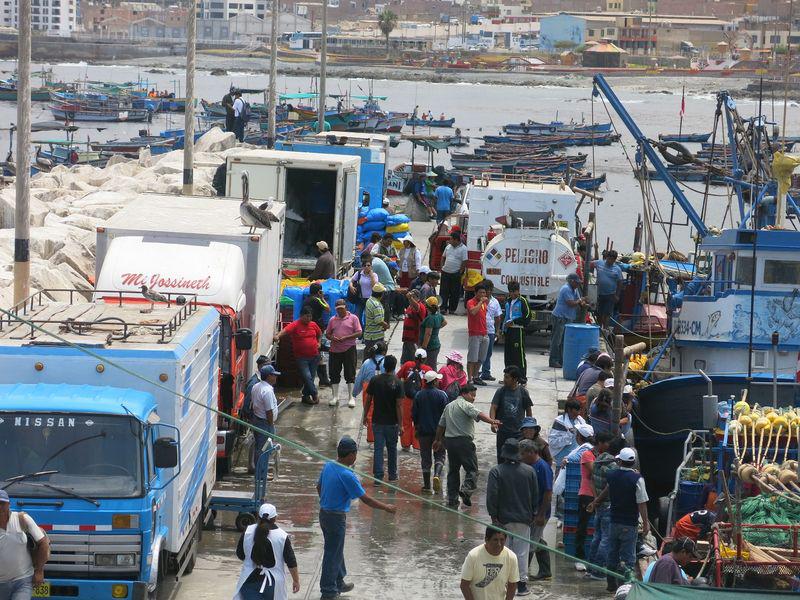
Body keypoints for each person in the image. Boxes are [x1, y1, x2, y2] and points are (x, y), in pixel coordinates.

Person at [317, 436, 396, 599]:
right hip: (335, 517)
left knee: (336, 550)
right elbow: (366, 499)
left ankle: (338, 581)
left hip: (324, 514)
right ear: (351, 455)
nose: (355, 457)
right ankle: (328, 591)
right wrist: (386, 507)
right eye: (355, 454)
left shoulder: (329, 465)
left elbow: (319, 487)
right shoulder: (347, 475)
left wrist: (327, 500)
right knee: (332, 554)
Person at [588, 447, 650, 592]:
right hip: (629, 523)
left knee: (612, 553)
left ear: (620, 461)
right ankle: (625, 586)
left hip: (613, 521)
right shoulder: (637, 479)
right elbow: (642, 503)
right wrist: (646, 523)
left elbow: (607, 490)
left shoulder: (612, 475)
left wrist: (596, 502)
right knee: (628, 557)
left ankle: (611, 584)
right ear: (633, 462)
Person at [434, 384, 501, 508]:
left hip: (450, 442)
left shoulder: (449, 406)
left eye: (475, 396)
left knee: (453, 471)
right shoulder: (466, 405)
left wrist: (437, 440)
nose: (473, 398)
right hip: (464, 442)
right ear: (464, 394)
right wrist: (492, 421)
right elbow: (479, 414)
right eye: (472, 395)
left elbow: (441, 425)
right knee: (472, 470)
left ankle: (452, 499)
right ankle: (466, 490)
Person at [486, 439, 538, 596]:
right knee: (521, 552)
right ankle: (521, 586)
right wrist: (533, 513)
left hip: (502, 519)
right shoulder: (529, 471)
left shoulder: (496, 471)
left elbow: (492, 495)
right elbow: (535, 495)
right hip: (524, 518)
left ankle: (503, 584)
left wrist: (493, 516)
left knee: (503, 551)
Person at [234, 503, 300, 600]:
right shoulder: (282, 536)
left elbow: (240, 554)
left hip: (249, 582)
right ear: (275, 518)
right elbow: (291, 561)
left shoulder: (248, 531)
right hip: (273, 585)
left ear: (258, 516)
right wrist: (296, 581)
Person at [586, 435, 627, 581]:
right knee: (605, 539)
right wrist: (598, 500)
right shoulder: (613, 466)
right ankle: (598, 571)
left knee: (596, 538)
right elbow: (610, 487)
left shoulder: (598, 459)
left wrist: (595, 500)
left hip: (599, 506)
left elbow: (591, 479)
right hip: (607, 506)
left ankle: (590, 568)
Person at [0, 490, 49, 600]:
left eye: (2, 503)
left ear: (9, 504)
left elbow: (43, 543)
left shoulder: (21, 519)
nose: (0, 507)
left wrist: (39, 571)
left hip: (23, 580)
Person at [574, 431, 612, 572]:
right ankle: (579, 557)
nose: (609, 446)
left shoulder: (606, 457)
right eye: (607, 443)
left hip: (603, 497)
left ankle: (597, 559)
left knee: (600, 531)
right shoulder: (587, 455)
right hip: (587, 495)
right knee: (582, 526)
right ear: (600, 443)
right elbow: (596, 471)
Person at [364, 355, 403, 483]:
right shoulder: (398, 382)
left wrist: (365, 416)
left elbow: (368, 400)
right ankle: (392, 475)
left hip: (377, 421)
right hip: (392, 423)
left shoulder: (375, 380)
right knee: (392, 449)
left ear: (384, 366)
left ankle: (378, 477)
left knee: (378, 449)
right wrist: (401, 424)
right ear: (394, 367)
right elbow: (399, 405)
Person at [518, 439, 553, 582]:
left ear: (531, 452)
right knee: (537, 539)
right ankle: (545, 571)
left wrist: (541, 514)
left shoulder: (542, 467)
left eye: (523, 454)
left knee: (530, 543)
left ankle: (522, 574)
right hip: (531, 511)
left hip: (540, 512)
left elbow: (548, 492)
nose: (520, 457)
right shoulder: (529, 466)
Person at [274, 308, 322, 405]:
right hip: (302, 358)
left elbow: (319, 334)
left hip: (314, 356)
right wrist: (278, 336)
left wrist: (319, 342)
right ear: (301, 316)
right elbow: (285, 330)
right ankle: (314, 394)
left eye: (310, 316)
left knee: (311, 377)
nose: (309, 318)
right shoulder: (295, 325)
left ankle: (305, 396)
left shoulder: (313, 324)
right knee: (307, 377)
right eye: (307, 316)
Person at [412, 370, 448, 493]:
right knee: (440, 455)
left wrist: (416, 429)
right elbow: (446, 414)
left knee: (425, 458)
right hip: (439, 432)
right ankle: (437, 475)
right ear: (434, 382)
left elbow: (414, 414)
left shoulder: (418, 395)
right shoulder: (442, 395)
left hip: (423, 432)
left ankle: (427, 485)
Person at [460, 527, 520, 600]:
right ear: (486, 540)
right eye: (495, 540)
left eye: (502, 540)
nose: (499, 544)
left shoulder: (511, 557)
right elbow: (464, 585)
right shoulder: (473, 556)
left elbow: (512, 585)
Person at [489, 366, 533, 463]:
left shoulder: (523, 392)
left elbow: (528, 410)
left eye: (507, 377)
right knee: (502, 457)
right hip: (503, 432)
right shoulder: (500, 391)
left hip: (518, 433)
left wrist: (529, 427)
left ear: (515, 379)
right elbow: (493, 407)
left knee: (519, 458)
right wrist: (493, 422)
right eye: (504, 376)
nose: (504, 379)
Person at [326, 299, 362, 408]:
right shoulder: (332, 320)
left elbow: (359, 332)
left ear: (346, 307)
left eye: (341, 309)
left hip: (349, 348)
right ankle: (335, 396)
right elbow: (328, 334)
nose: (340, 311)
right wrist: (332, 338)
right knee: (334, 373)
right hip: (335, 350)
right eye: (338, 309)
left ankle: (351, 397)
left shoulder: (353, 318)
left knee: (350, 373)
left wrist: (346, 337)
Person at [397, 349, 432, 452]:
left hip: (407, 398)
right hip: (421, 400)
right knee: (419, 422)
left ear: (414, 357)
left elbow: (398, 377)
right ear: (425, 359)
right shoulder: (428, 369)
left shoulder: (407, 365)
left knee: (406, 422)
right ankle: (417, 446)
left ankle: (406, 445)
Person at [352, 341, 387, 444]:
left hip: (368, 390)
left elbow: (359, 378)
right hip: (384, 389)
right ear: (384, 352)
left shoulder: (367, 362)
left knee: (370, 415)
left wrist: (354, 393)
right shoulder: (386, 362)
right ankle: (383, 438)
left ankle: (372, 439)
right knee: (384, 413)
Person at [549, 272, 586, 368]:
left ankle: (560, 360)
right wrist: (580, 301)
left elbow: (578, 301)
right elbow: (571, 303)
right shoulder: (566, 289)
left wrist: (583, 303)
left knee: (563, 341)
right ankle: (553, 360)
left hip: (567, 317)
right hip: (560, 317)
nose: (578, 284)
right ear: (571, 281)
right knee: (556, 341)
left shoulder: (574, 289)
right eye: (576, 282)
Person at [303, 282, 331, 387]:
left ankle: (323, 379)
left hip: (308, 328)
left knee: (318, 352)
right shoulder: (317, 300)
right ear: (319, 291)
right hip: (316, 329)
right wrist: (322, 298)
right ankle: (323, 379)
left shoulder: (306, 300)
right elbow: (328, 309)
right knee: (318, 352)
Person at [251, 365, 280, 463]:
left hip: (257, 419)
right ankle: (261, 470)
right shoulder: (267, 391)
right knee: (264, 449)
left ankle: (259, 468)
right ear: (268, 376)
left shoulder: (256, 386)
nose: (275, 377)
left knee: (260, 447)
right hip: (265, 423)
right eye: (274, 375)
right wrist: (271, 425)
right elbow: (269, 411)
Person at [503, 281, 531, 378]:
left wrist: (514, 322)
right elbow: (506, 316)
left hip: (517, 331)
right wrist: (503, 330)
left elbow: (527, 317)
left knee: (518, 355)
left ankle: (522, 378)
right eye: (511, 291)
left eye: (515, 291)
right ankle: (509, 378)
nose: (513, 293)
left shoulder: (523, 301)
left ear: (518, 291)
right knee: (508, 355)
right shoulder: (508, 301)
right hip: (508, 330)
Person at [590, 249, 624, 330]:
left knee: (607, 314)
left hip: (610, 295)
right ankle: (598, 329)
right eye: (609, 258)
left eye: (612, 259)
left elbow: (620, 282)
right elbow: (590, 264)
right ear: (607, 257)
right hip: (599, 293)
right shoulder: (599, 263)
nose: (610, 261)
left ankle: (605, 330)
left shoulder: (617, 269)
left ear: (614, 260)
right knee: (599, 313)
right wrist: (590, 272)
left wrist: (617, 295)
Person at [548, 399, 587, 466]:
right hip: (562, 456)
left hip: (576, 456)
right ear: (569, 409)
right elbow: (552, 442)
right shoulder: (559, 422)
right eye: (577, 410)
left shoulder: (581, 421)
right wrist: (569, 435)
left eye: (580, 410)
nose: (579, 413)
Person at [465, 286, 490, 386]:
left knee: (481, 358)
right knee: (472, 359)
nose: (483, 295)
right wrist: (480, 302)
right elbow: (473, 312)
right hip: (474, 334)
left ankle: (476, 376)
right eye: (480, 292)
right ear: (475, 293)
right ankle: (470, 379)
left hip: (484, 333)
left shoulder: (484, 304)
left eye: (484, 293)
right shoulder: (470, 302)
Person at [480, 281, 503, 382]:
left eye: (490, 290)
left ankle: (486, 373)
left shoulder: (495, 302)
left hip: (490, 331)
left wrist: (497, 331)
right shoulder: (478, 301)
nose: (488, 292)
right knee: (479, 353)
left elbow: (498, 318)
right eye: (486, 290)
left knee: (488, 353)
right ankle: (476, 373)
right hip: (479, 330)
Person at [440, 232, 468, 315]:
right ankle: (443, 308)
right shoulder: (448, 247)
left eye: (451, 239)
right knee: (443, 291)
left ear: (456, 240)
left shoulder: (463, 249)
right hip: (445, 272)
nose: (449, 240)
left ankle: (452, 309)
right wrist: (442, 267)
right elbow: (443, 257)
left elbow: (464, 261)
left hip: (455, 274)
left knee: (454, 292)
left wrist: (460, 272)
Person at [400, 289, 427, 363]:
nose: (410, 298)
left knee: (413, 360)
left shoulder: (420, 306)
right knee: (404, 361)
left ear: (418, 298)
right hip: (407, 339)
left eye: (413, 297)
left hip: (414, 339)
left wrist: (410, 298)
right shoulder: (410, 306)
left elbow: (417, 307)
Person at [420, 296, 447, 369]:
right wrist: (436, 328)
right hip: (436, 344)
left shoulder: (430, 318)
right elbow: (445, 323)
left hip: (430, 347)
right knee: (432, 365)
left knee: (430, 367)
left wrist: (423, 348)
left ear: (427, 306)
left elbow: (428, 334)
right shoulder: (438, 315)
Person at [242, 354, 269, 421]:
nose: (270, 367)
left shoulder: (262, 380)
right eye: (267, 365)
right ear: (261, 366)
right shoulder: (253, 383)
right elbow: (247, 404)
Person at [363, 282, 388, 353]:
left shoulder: (369, 300)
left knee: (369, 354)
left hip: (369, 335)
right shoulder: (376, 305)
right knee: (376, 355)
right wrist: (386, 325)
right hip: (375, 337)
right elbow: (379, 321)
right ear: (381, 294)